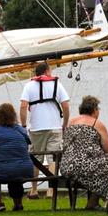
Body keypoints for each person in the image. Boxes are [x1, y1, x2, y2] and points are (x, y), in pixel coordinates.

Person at [61, 96, 108, 210]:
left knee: (99, 171)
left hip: (67, 166)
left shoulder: (71, 122)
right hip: (85, 166)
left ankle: (92, 203)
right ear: (95, 110)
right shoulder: (96, 124)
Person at [19, 62, 70, 199]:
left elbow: (23, 106)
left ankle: (34, 190)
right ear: (47, 71)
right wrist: (64, 124)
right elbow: (65, 106)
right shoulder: (57, 85)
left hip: (36, 128)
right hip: (54, 127)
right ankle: (51, 191)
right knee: (53, 158)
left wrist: (23, 125)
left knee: (36, 158)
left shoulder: (29, 86)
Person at [0, 103, 33, 212]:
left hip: (0, 171)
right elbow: (26, 147)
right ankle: (18, 204)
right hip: (24, 169)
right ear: (14, 115)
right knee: (15, 175)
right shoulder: (21, 131)